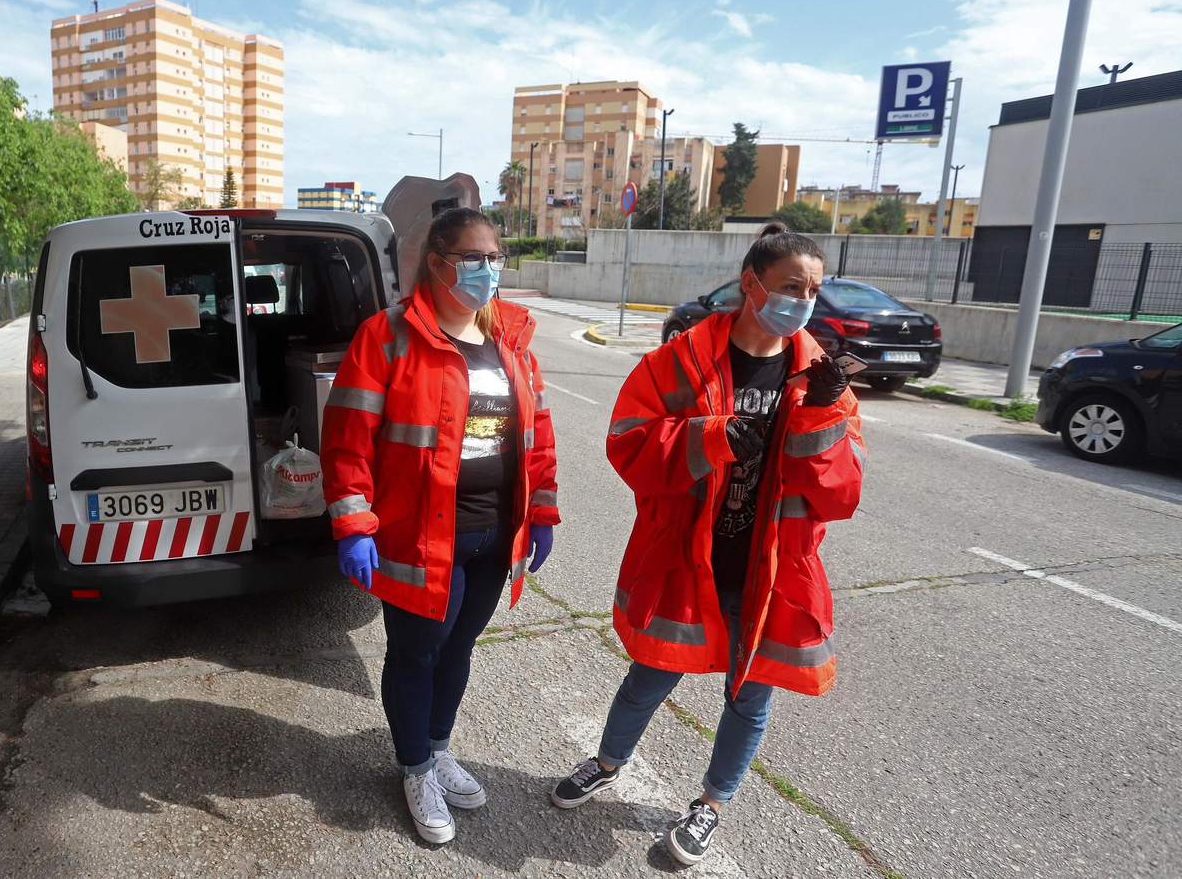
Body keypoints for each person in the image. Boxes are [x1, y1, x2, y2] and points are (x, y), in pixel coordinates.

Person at [550, 222, 864, 865]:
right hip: (687, 557)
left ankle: (712, 805)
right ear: (751, 285)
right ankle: (608, 762)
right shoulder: (677, 362)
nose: (803, 300)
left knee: (749, 696)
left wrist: (822, 415)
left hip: (770, 568)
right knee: (649, 677)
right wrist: (710, 436)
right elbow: (629, 446)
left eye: (813, 289)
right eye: (790, 286)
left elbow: (841, 494)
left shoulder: (820, 380)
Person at [321, 207, 561, 844]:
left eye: (495, 258)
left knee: (459, 648)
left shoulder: (510, 343)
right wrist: (353, 524)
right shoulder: (388, 337)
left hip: (493, 533)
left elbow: (537, 438)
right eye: (473, 259)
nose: (487, 270)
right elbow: (347, 441)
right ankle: (414, 767)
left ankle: (438, 745)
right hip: (422, 536)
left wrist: (541, 513)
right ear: (436, 264)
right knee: (417, 653)